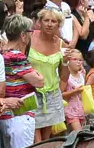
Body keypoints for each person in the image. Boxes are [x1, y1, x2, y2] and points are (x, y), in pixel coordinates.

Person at [0, 15, 42, 148]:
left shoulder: (1, 52)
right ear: (23, 35)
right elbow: (39, 82)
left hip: (4, 115)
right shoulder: (16, 56)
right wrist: (38, 74)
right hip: (19, 115)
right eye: (30, 33)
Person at [28, 9, 66, 141]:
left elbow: (64, 75)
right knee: (36, 140)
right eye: (46, 20)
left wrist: (59, 92)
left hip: (51, 95)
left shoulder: (61, 44)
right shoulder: (29, 38)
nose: (49, 24)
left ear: (58, 24)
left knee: (46, 140)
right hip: (30, 93)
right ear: (39, 22)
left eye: (53, 21)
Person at [61, 49, 86, 131]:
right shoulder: (66, 76)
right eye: (75, 59)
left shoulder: (82, 74)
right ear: (68, 60)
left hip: (82, 110)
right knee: (79, 133)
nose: (78, 62)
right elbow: (60, 94)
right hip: (70, 111)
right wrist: (74, 91)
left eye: (80, 60)